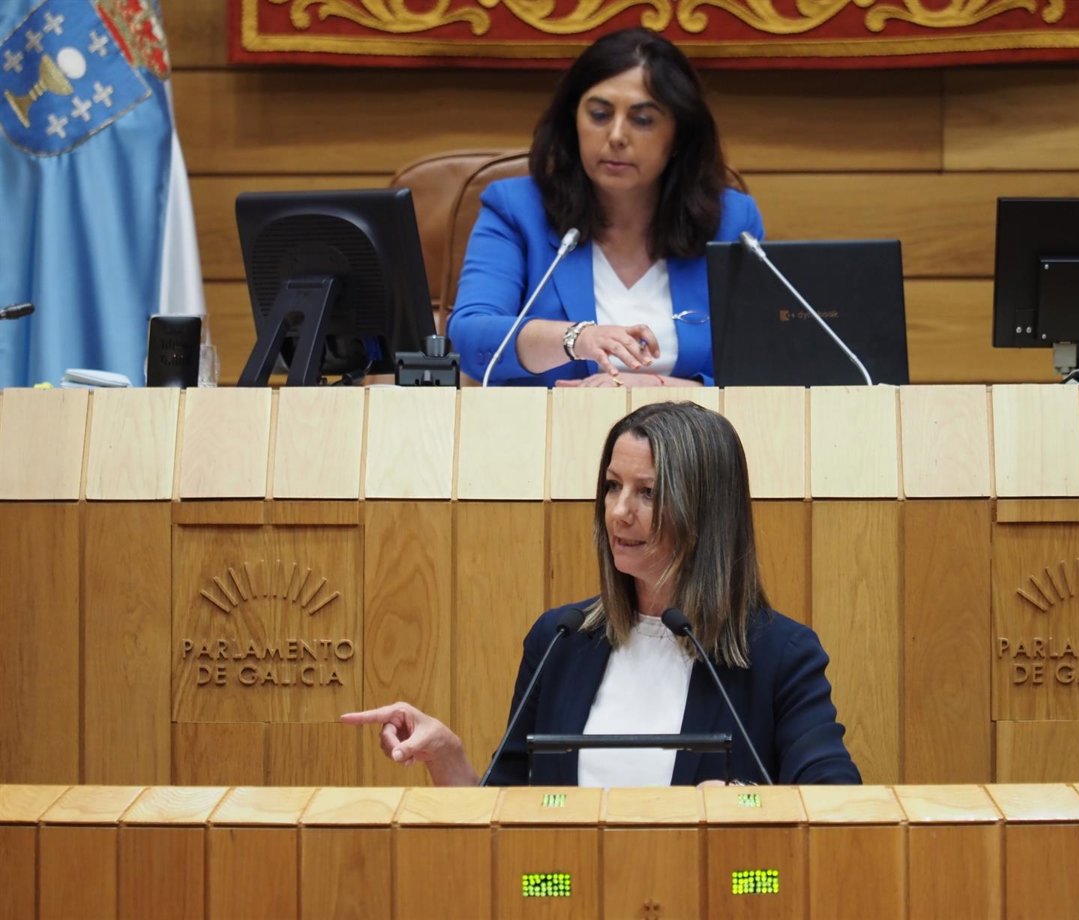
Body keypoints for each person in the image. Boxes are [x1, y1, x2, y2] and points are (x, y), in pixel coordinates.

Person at [342, 401, 860, 787]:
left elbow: (836, 804)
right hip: (566, 890)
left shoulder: (779, 655)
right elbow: (504, 827)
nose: (618, 512)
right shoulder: (560, 640)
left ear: (706, 513)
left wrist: (744, 804)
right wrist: (447, 757)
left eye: (647, 492)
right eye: (613, 486)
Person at [446, 28, 764, 388]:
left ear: (679, 134)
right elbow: (470, 336)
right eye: (599, 114)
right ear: (574, 121)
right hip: (549, 422)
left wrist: (658, 389)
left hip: (690, 425)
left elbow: (762, 364)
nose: (616, 136)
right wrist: (577, 338)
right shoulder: (517, 210)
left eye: (642, 120)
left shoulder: (732, 221)